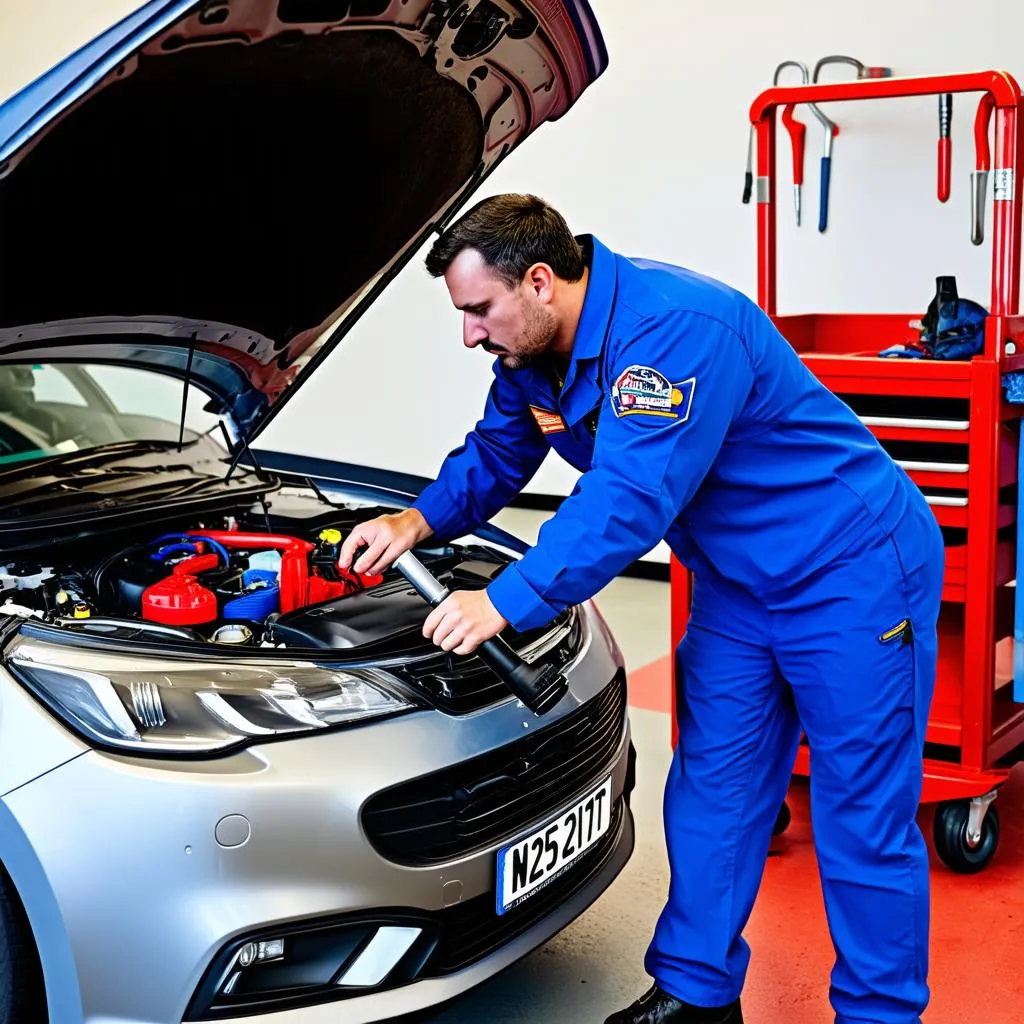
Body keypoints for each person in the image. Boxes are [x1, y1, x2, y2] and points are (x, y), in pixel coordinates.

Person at [338, 194, 945, 1024]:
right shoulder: (533, 359)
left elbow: (629, 499)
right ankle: (698, 995)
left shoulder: (674, 331)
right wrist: (418, 519)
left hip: (851, 571)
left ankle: (878, 1014)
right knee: (714, 791)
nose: (471, 334)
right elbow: (497, 452)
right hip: (738, 583)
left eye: (479, 310)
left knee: (860, 812)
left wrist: (504, 602)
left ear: (541, 281)